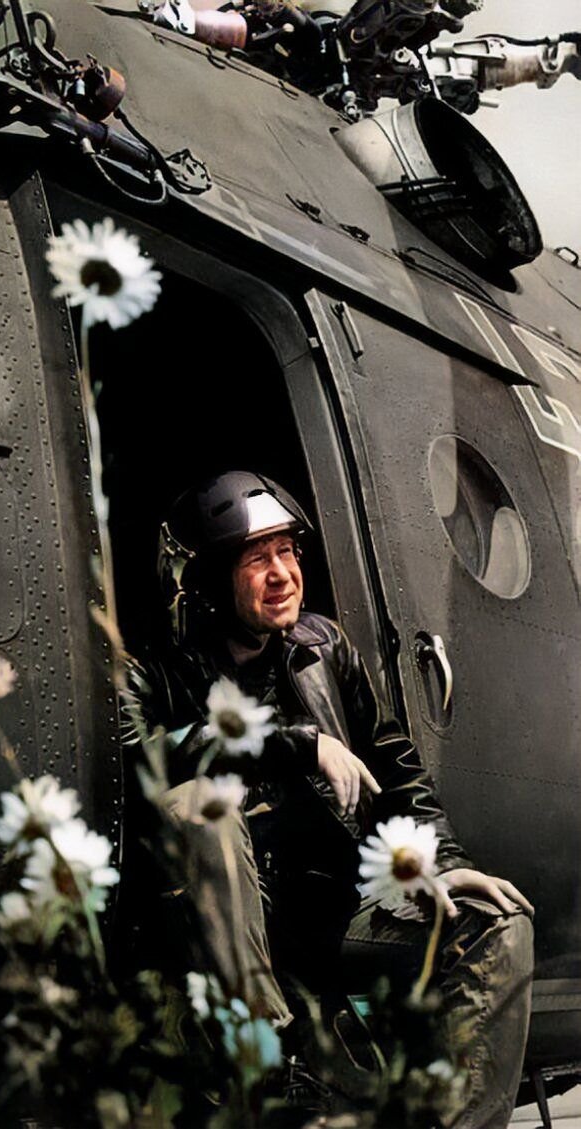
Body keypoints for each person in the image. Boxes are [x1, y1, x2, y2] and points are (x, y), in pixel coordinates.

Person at [121, 470, 534, 1128]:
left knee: (495, 922)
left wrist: (445, 858)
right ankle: (274, 1070)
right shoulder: (155, 668)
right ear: (207, 582)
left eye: (288, 552)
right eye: (258, 559)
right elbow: (136, 754)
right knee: (200, 803)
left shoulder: (323, 647)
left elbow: (394, 764)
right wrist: (290, 742)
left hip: (336, 915)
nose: (282, 572)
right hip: (233, 939)